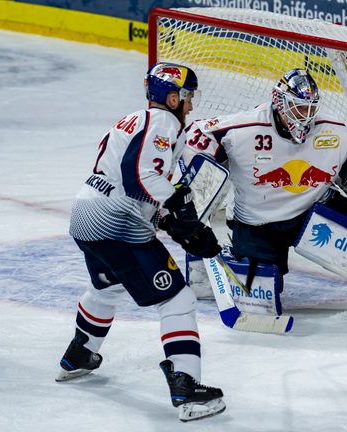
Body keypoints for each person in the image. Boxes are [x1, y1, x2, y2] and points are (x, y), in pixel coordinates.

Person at [57, 62, 225, 422]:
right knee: (177, 299)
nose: (191, 105)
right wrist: (182, 211)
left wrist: (169, 221)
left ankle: (80, 354)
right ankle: (185, 386)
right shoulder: (162, 123)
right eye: (188, 97)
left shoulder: (133, 120)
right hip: (116, 223)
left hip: (85, 213)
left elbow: (125, 177)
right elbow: (141, 176)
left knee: (107, 287)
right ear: (172, 96)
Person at [182, 68, 347, 306]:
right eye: (298, 107)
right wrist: (190, 183)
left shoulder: (335, 132)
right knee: (261, 296)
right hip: (258, 223)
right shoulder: (242, 130)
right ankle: (230, 258)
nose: (305, 116)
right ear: (279, 102)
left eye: (310, 108)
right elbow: (198, 132)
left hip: (316, 212)